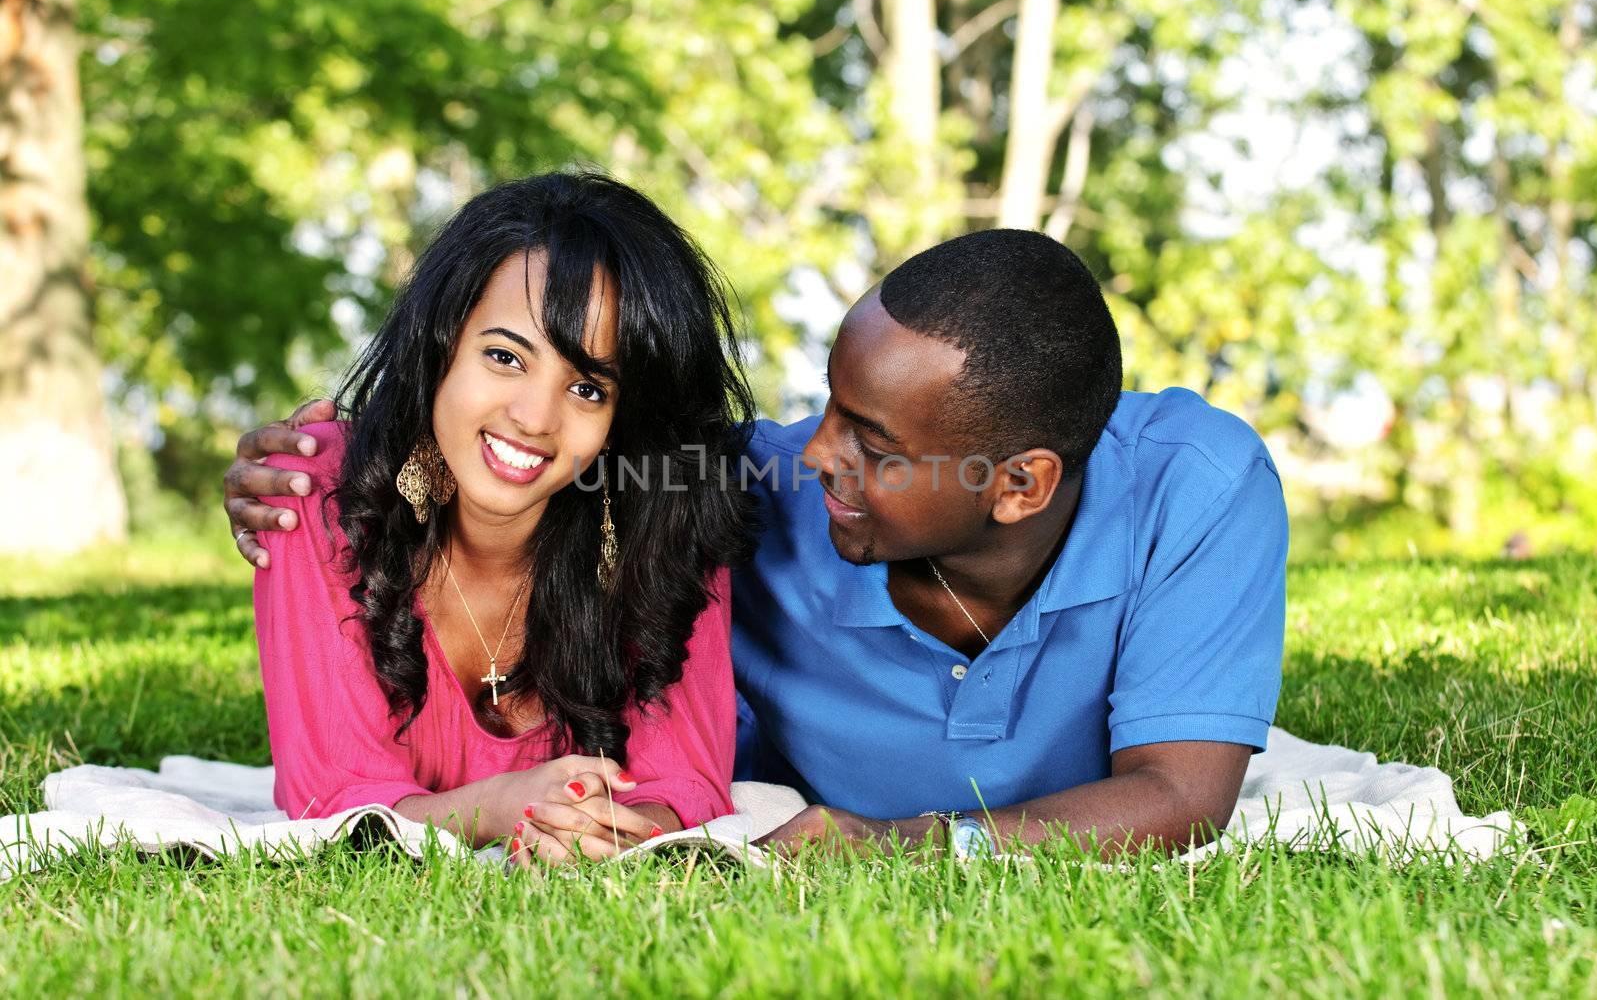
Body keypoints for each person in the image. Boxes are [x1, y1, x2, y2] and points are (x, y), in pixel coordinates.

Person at [228, 225, 1287, 858]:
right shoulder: (742, 489)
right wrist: (327, 467)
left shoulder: (1194, 489)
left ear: (1017, 486)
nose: (812, 453)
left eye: (869, 442)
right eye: (828, 406)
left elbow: (1180, 797)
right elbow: (542, 437)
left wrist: (895, 849)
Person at [245, 172, 756, 866]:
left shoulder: (665, 514)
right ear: (442, 343)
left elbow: (685, 779)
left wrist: (602, 829)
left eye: (587, 387)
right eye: (505, 356)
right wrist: (503, 806)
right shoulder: (315, 492)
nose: (535, 418)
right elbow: (330, 794)